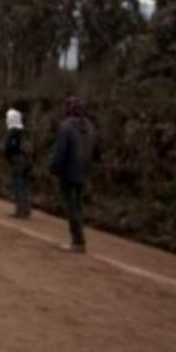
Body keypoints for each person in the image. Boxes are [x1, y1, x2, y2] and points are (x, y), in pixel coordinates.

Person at [49, 96, 99, 253]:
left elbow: (60, 152)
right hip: (83, 172)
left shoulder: (66, 127)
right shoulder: (90, 127)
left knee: (71, 207)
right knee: (78, 206)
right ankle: (79, 239)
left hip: (69, 172)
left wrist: (54, 169)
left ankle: (78, 241)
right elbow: (96, 153)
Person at [4, 106, 32, 218]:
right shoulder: (23, 132)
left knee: (18, 184)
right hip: (27, 159)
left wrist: (8, 156)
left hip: (18, 159)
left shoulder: (13, 132)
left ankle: (20, 211)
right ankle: (26, 209)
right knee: (24, 185)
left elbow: (10, 147)